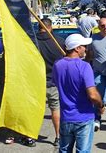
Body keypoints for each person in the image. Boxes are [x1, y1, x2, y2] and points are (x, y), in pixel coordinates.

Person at [52, 34, 104, 153]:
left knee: (64, 150)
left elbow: (57, 82)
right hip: (83, 117)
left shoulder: (57, 65)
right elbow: (92, 94)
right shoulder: (84, 66)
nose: (85, 48)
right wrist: (100, 105)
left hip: (66, 117)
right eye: (83, 46)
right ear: (77, 48)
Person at [35, 17, 66, 147]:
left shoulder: (32, 41)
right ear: (50, 27)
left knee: (35, 110)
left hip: (37, 81)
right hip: (54, 82)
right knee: (55, 109)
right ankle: (58, 136)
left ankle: (30, 135)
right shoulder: (58, 42)